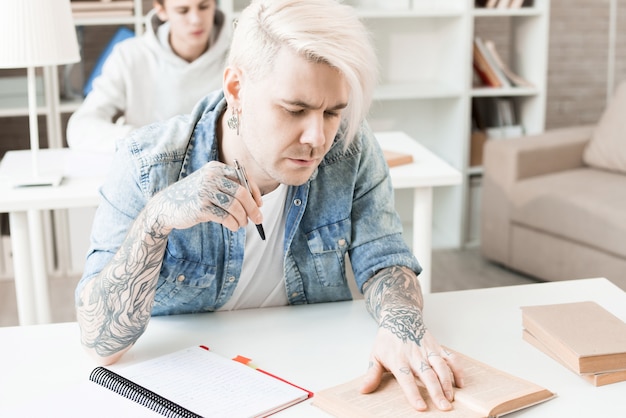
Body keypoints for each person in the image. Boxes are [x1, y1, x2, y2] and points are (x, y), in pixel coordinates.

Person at [75, 0, 464, 411]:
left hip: (311, 379)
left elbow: (384, 259)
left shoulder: (350, 145)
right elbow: (99, 343)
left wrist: (402, 325)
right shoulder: (145, 163)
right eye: (295, 110)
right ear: (236, 89)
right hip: (186, 390)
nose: (317, 137)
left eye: (333, 111)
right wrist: (155, 221)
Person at [66, 0, 229, 153]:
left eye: (204, 6)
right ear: (161, 10)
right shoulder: (129, 56)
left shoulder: (236, 56)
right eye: (182, 10)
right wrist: (144, 140)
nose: (195, 20)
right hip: (147, 171)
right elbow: (80, 129)